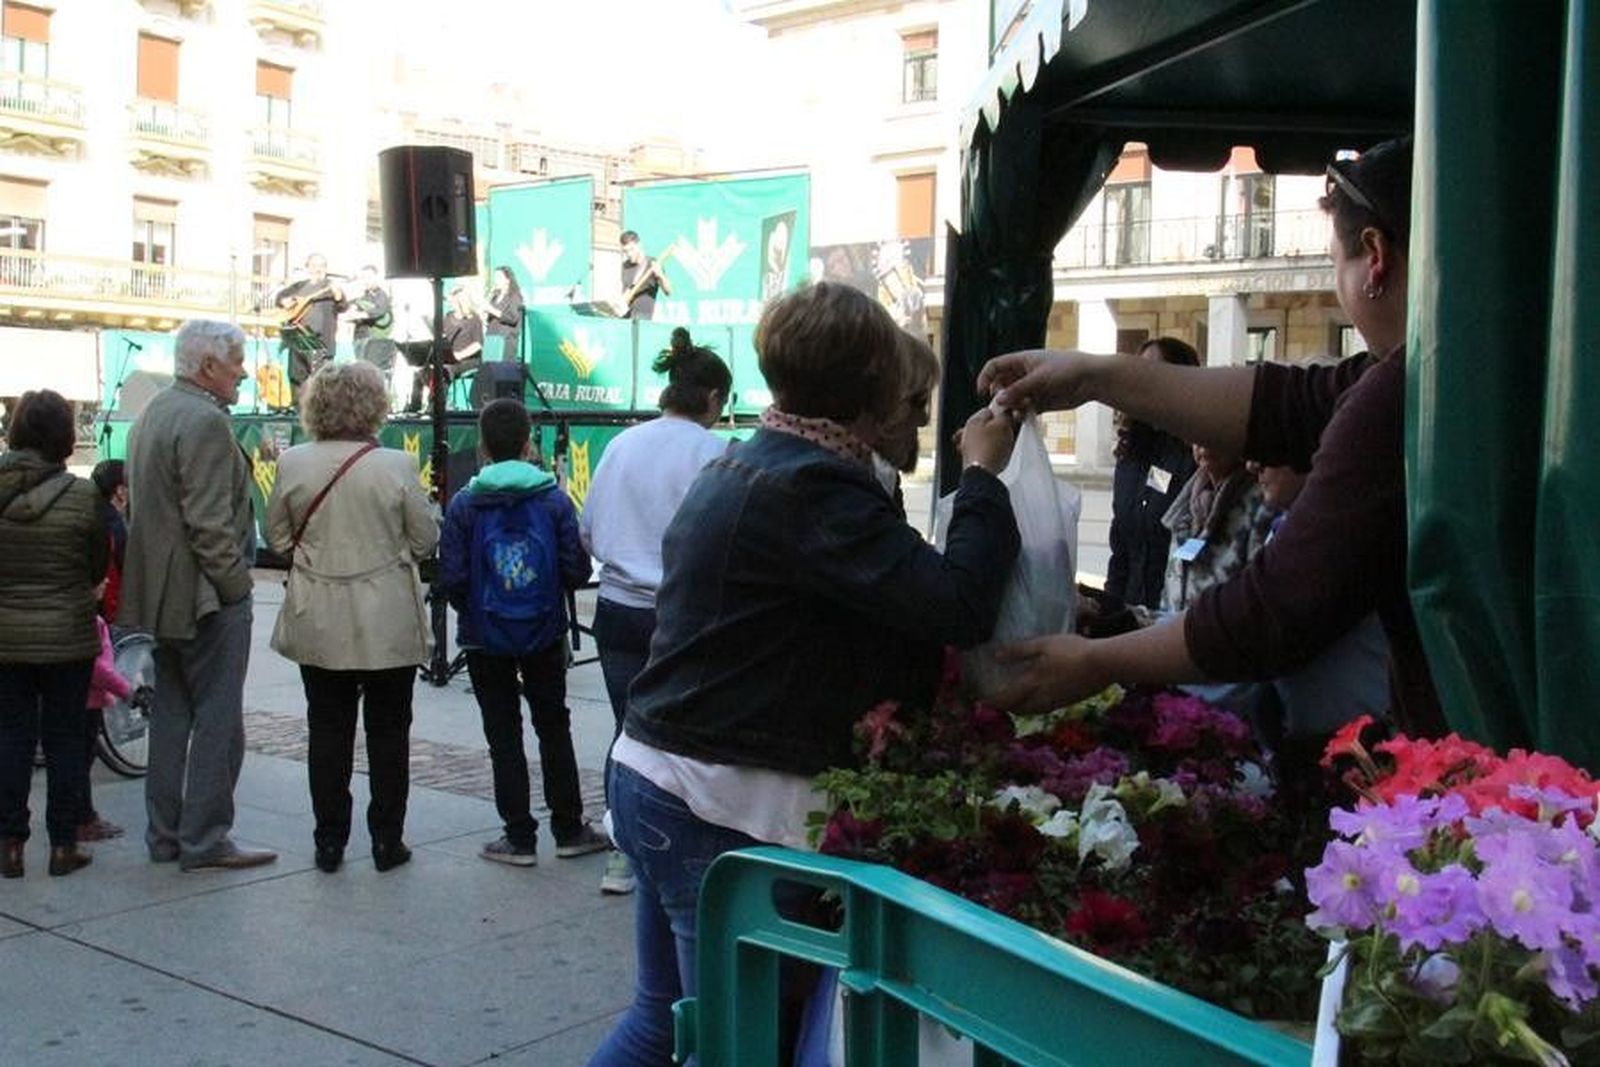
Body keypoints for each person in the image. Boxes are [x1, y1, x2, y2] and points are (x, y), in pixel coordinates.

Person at [588, 282, 1021, 1066]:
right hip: (716, 802)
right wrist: (984, 478)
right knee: (738, 1041)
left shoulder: (758, 461)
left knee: (664, 1022)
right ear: (873, 386)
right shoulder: (816, 486)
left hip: (659, 774)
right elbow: (957, 604)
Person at [976, 136, 1445, 737]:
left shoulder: (1406, 392)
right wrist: (1094, 374)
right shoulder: (1429, 372)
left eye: (1336, 266)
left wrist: (1099, 661)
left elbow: (1276, 609)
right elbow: (1287, 404)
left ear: (1375, 255)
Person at [266, 362, 438, 874]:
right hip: (386, 616)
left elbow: (276, 538)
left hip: (318, 612)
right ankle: (387, 839)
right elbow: (426, 539)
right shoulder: (396, 465)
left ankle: (329, 839)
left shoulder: (293, 463)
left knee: (327, 729)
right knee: (389, 732)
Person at [579, 327, 731, 896]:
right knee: (686, 743)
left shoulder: (622, 445)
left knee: (628, 734)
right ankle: (681, 856)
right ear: (713, 398)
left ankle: (623, 854)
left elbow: (589, 531)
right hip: (683, 618)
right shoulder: (715, 455)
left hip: (618, 611)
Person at [120, 319, 277, 871]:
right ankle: (205, 838)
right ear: (208, 366)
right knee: (216, 718)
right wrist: (237, 588)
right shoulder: (205, 421)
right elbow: (208, 524)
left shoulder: (155, 412)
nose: (242, 372)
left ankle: (165, 835)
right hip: (206, 597)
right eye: (236, 362)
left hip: (164, 595)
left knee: (171, 715)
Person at [438, 399, 608, 867]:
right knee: (554, 727)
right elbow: (575, 568)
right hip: (543, 630)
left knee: (503, 733)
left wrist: (473, 608)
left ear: (484, 444)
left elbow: (451, 576)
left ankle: (518, 836)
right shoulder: (552, 499)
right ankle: (570, 828)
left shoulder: (465, 503)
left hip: (483, 634)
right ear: (529, 440)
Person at [0, 390, 108, 878]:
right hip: (67, 636)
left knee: (10, 737)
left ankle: (10, 845)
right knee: (65, 740)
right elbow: (96, 566)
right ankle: (64, 845)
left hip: (5, 638)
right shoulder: (83, 495)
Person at [1104, 338, 1200, 611]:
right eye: (1139, 372)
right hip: (1130, 614)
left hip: (1171, 619)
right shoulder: (1130, 457)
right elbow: (1120, 547)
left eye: (1155, 374)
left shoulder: (1196, 455)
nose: (1142, 383)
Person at [78, 458, 131, 842]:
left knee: (20, 733)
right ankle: (79, 819)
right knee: (78, 743)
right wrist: (127, 690)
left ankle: (11, 838)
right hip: (89, 623)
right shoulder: (109, 523)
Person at [1158, 443, 1272, 613]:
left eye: (1213, 437)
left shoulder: (1259, 504)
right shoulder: (1189, 500)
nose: (1204, 446)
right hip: (1176, 631)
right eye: (1197, 436)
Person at [273, 254, 348, 405]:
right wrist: (284, 301)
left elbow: (343, 306)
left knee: (321, 382)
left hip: (321, 342)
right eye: (314, 265)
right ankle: (297, 412)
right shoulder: (300, 286)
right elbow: (279, 298)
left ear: (326, 269)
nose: (317, 269)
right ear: (307, 268)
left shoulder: (330, 286)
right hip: (299, 338)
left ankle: (320, 417)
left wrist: (338, 296)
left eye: (321, 266)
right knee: (296, 377)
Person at [405, 286, 483, 413]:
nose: (452, 304)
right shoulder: (448, 316)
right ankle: (414, 407)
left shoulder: (474, 319)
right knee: (421, 372)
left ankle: (435, 407)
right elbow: (441, 334)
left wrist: (459, 355)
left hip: (468, 360)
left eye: (455, 301)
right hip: (449, 357)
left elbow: (478, 344)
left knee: (444, 371)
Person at [345, 266, 396, 373]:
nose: (365, 280)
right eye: (363, 277)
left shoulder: (381, 294)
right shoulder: (362, 295)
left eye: (368, 277)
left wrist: (359, 315)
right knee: (360, 372)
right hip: (360, 338)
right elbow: (346, 308)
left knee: (371, 373)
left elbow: (380, 310)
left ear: (376, 277)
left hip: (375, 341)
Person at [619, 231, 671, 320]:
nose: (629, 254)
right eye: (625, 251)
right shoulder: (625, 266)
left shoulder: (653, 263)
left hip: (643, 318)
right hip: (626, 318)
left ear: (639, 245)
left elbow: (668, 292)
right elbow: (625, 291)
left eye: (631, 249)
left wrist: (660, 275)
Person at [481, 266, 525, 362]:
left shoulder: (515, 296)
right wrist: (485, 315)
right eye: (495, 278)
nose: (496, 281)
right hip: (491, 339)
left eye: (499, 278)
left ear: (507, 280)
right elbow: (490, 318)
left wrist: (491, 310)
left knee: (502, 371)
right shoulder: (494, 296)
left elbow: (513, 318)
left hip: (505, 341)